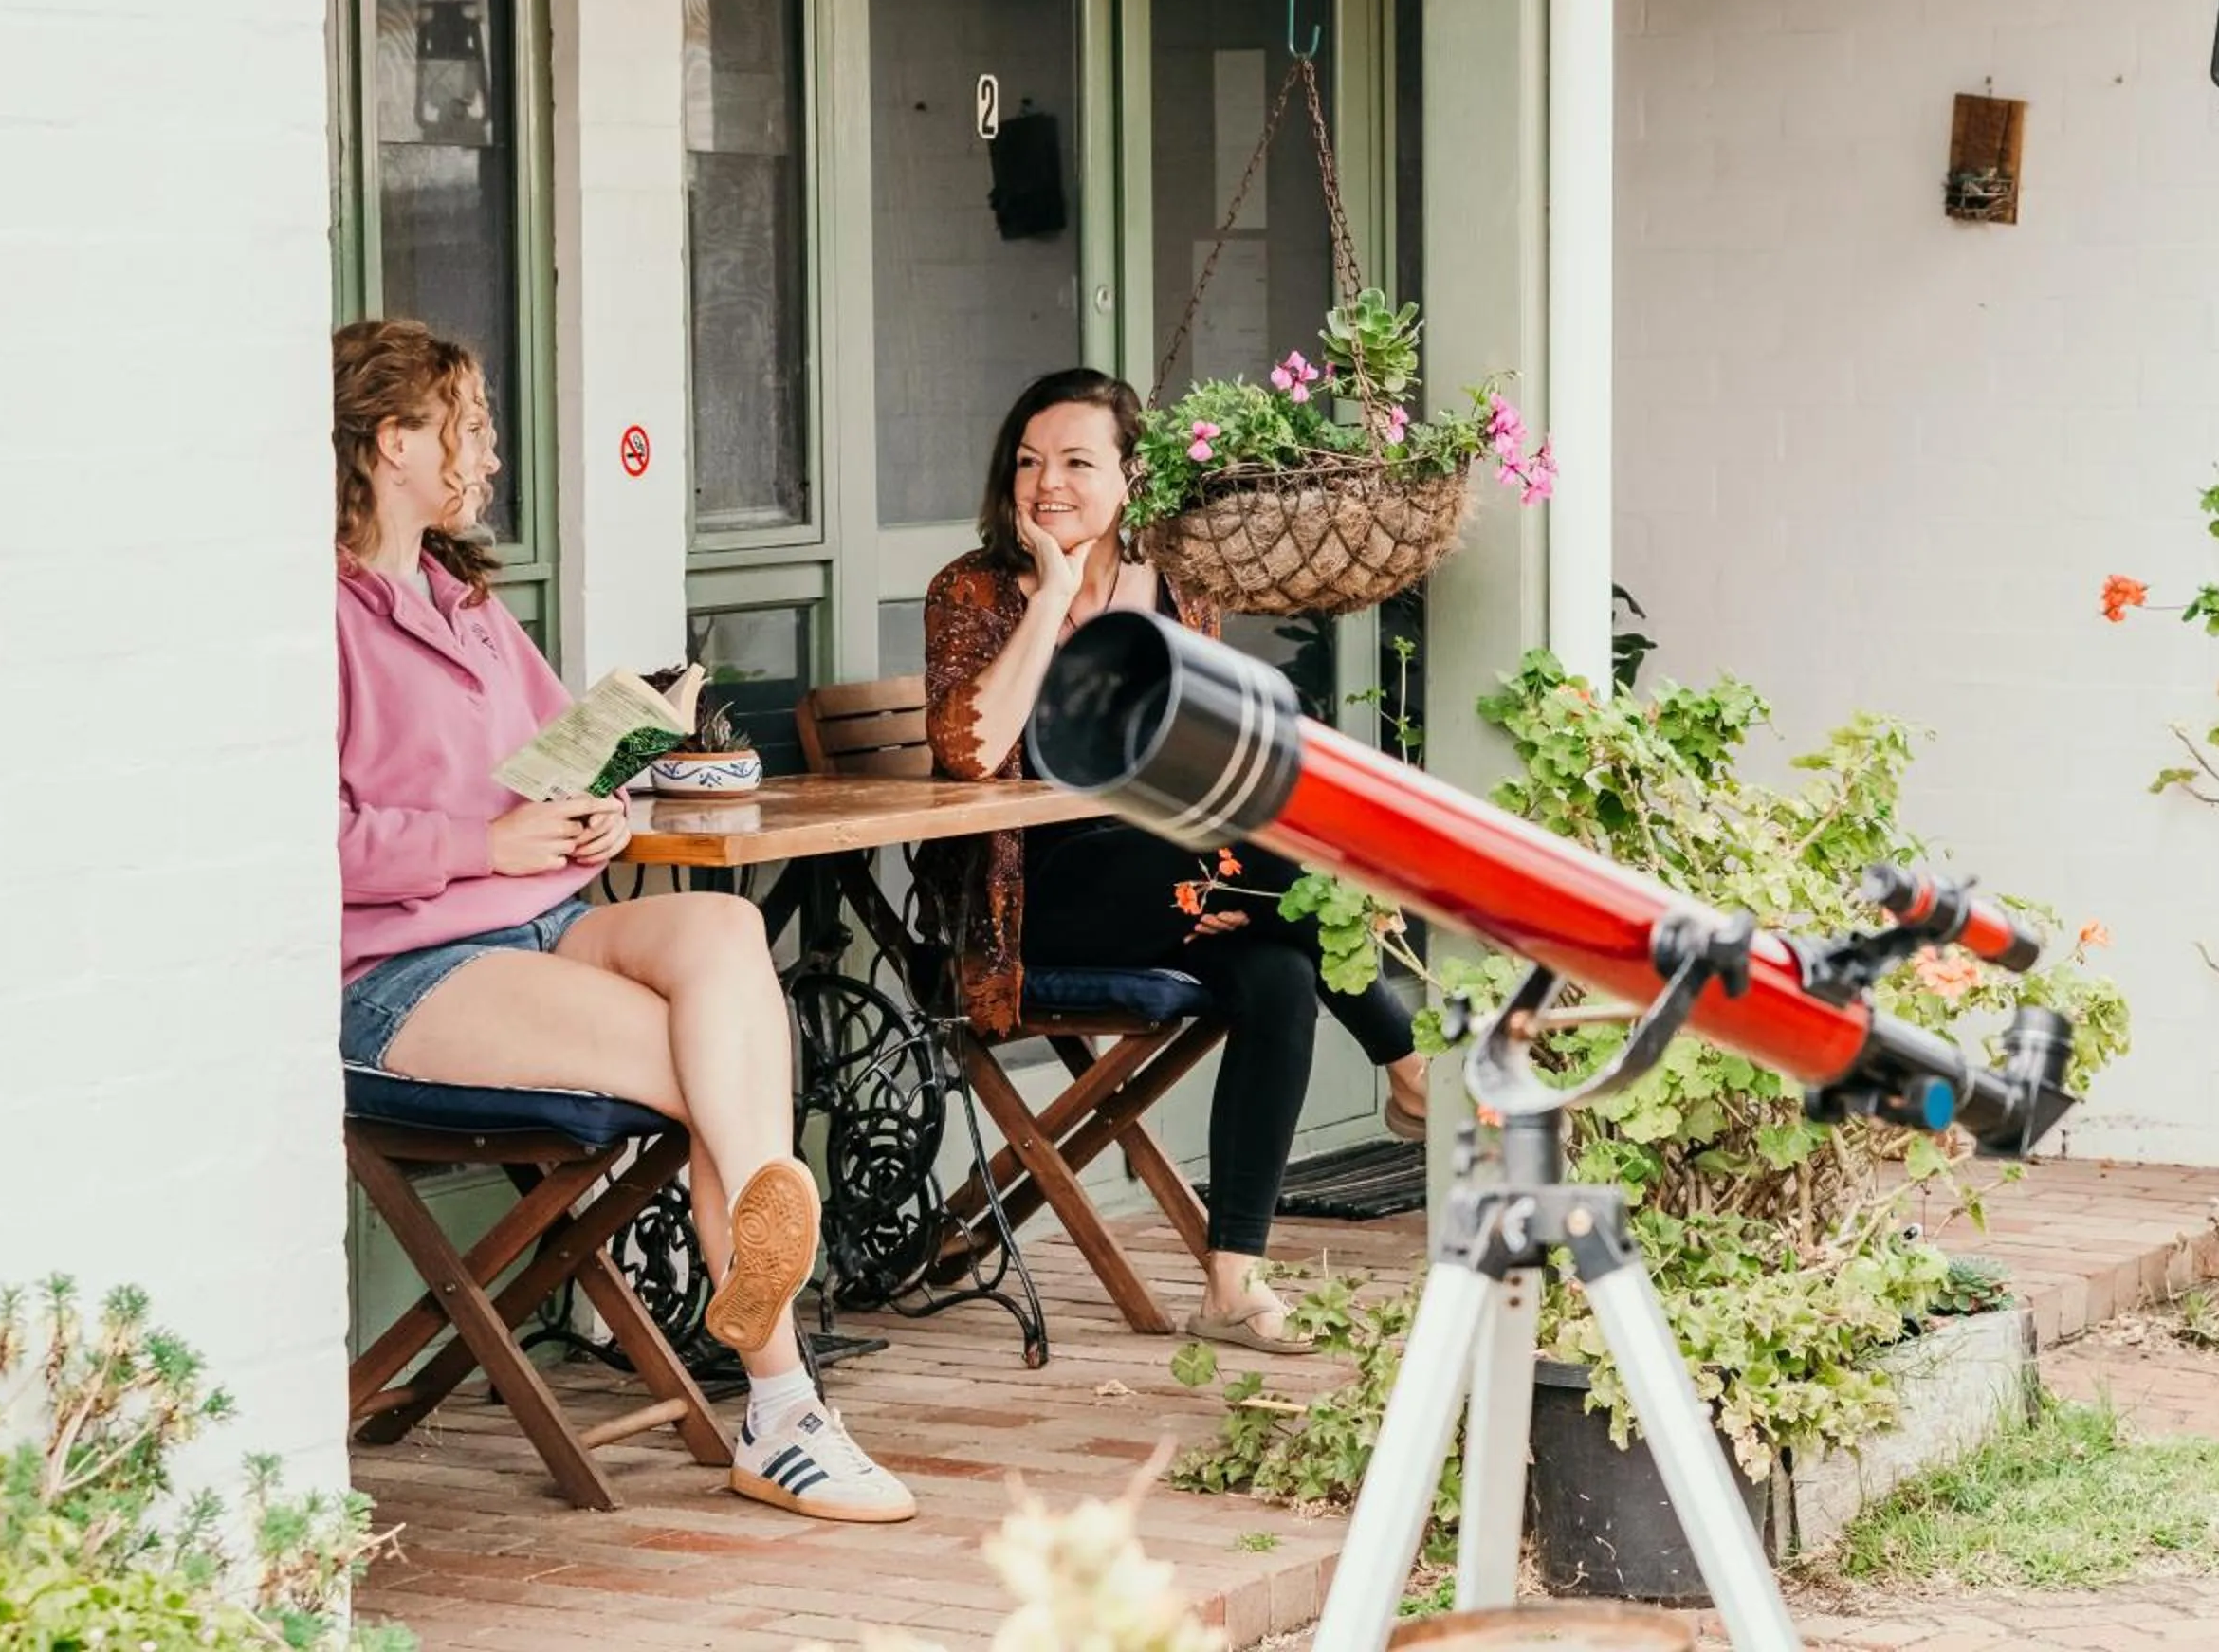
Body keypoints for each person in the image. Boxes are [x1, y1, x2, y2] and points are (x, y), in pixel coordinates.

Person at [331, 318, 912, 1524]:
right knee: (718, 1071)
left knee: (722, 934)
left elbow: (550, 760)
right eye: (469, 428)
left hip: (542, 917)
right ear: (393, 442)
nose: (487, 456)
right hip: (400, 968)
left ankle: (762, 1242)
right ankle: (785, 1406)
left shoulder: (465, 600)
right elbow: (274, 846)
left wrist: (594, 801)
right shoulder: (310, 617)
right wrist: (475, 846)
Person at [920, 367, 1433, 1355]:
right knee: (1281, 868)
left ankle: (1232, 1283)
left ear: (1131, 476)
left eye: (1076, 460)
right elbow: (971, 752)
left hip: (1186, 875)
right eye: (1028, 461)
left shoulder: (1179, 585)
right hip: (1036, 891)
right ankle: (1411, 1067)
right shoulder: (975, 588)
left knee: (1280, 974)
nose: (1046, 483)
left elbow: (1200, 756)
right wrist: (1053, 595)